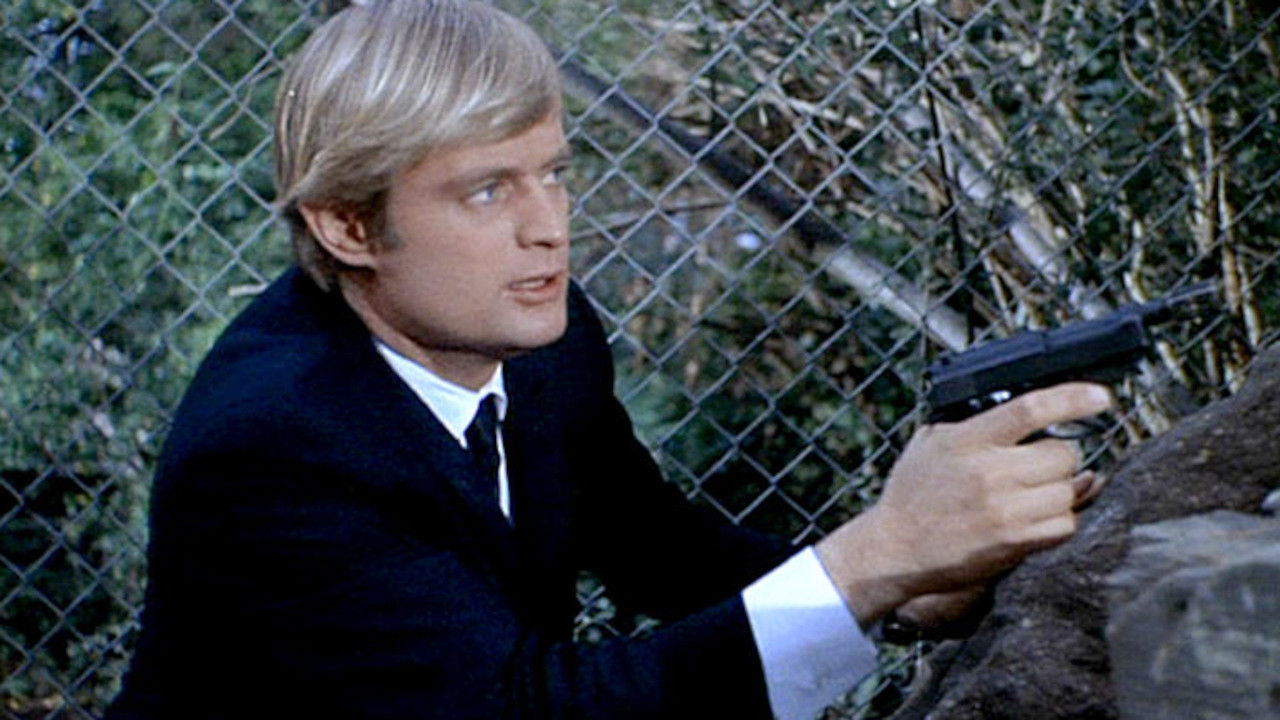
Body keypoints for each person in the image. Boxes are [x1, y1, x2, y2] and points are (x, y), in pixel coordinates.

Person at [105, 1, 1112, 718]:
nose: (548, 227)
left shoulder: (537, 338)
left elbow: (654, 546)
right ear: (347, 226)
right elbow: (525, 710)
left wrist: (905, 586)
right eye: (487, 191)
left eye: (553, 172)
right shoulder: (275, 450)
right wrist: (871, 559)